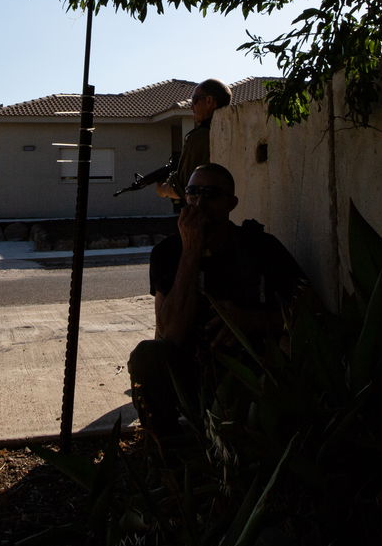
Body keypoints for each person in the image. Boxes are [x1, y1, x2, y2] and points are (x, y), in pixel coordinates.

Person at [129, 163, 307, 439]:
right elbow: (169, 333)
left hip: (251, 370)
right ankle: (168, 451)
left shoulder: (260, 247)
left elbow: (308, 312)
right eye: (193, 193)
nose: (200, 203)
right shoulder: (168, 252)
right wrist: (191, 251)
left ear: (231, 203)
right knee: (147, 355)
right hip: (192, 368)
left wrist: (248, 321)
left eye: (211, 194)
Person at [156, 79, 232, 208]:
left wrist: (162, 189)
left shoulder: (200, 136)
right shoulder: (233, 129)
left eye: (195, 100)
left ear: (209, 101)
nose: (192, 107)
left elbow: (183, 187)